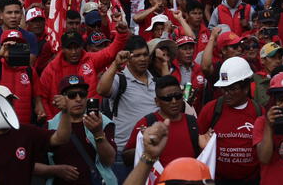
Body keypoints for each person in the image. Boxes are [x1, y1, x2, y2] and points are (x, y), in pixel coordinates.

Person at [40, 16, 129, 118]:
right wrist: (51, 122)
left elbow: (110, 53)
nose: (74, 52)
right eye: (69, 48)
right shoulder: (51, 69)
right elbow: (42, 98)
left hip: (91, 118)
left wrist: (121, 34)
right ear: (63, 49)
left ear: (82, 46)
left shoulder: (90, 59)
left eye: (77, 47)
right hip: (63, 123)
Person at [0, 85, 72, 184]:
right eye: (1, 104)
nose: (8, 108)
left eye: (10, 103)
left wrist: (65, 111)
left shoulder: (25, 132)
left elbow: (61, 138)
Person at [197, 57, 263, 184]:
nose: (226, 94)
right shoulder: (211, 110)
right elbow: (198, 141)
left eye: (232, 89)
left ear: (246, 88)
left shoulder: (259, 112)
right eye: (224, 89)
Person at [97, 35, 157, 173]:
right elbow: (102, 90)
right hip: (123, 153)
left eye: (145, 54)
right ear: (128, 58)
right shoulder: (120, 79)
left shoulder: (156, 82)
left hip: (151, 152)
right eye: (137, 55)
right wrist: (115, 64)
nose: (142, 59)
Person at [46, 75, 117, 185]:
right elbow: (35, 165)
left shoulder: (103, 121)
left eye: (82, 94)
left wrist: (98, 134)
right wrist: (56, 170)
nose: (78, 99)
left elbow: (109, 161)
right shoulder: (50, 126)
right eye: (72, 95)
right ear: (61, 98)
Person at [123, 75, 203, 167]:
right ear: (157, 101)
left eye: (177, 96)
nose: (174, 101)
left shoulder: (192, 122)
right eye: (167, 98)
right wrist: (145, 147)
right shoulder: (146, 123)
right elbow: (126, 158)